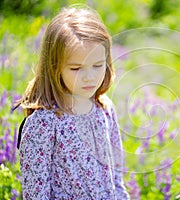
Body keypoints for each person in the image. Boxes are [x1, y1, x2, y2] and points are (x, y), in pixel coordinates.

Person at [15, 6, 130, 200]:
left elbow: (116, 177)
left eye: (97, 65)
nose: (89, 77)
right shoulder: (45, 123)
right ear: (54, 68)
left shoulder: (104, 107)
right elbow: (36, 193)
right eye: (76, 68)